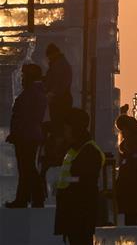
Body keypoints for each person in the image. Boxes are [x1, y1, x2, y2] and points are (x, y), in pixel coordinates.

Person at [54, 108, 103, 245]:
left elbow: (83, 182)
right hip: (72, 213)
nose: (65, 132)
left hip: (80, 215)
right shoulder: (74, 150)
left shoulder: (89, 151)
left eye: (67, 128)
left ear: (75, 129)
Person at [4, 64, 47, 208]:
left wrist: (16, 133)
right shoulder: (35, 92)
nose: (22, 78)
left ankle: (25, 198)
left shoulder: (31, 93)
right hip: (27, 135)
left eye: (24, 75)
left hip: (25, 136)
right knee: (27, 167)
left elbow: (24, 117)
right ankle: (32, 197)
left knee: (26, 168)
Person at [115, 113, 137, 225]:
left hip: (134, 197)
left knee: (134, 224)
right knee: (132, 223)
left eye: (123, 130)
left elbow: (132, 174)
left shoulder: (136, 149)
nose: (122, 134)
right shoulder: (130, 150)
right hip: (130, 197)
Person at [44, 43, 73, 125]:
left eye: (49, 56)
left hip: (59, 100)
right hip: (61, 99)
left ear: (52, 54)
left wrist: (51, 93)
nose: (48, 59)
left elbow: (60, 83)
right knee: (59, 123)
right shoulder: (60, 63)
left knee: (58, 123)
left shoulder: (58, 65)